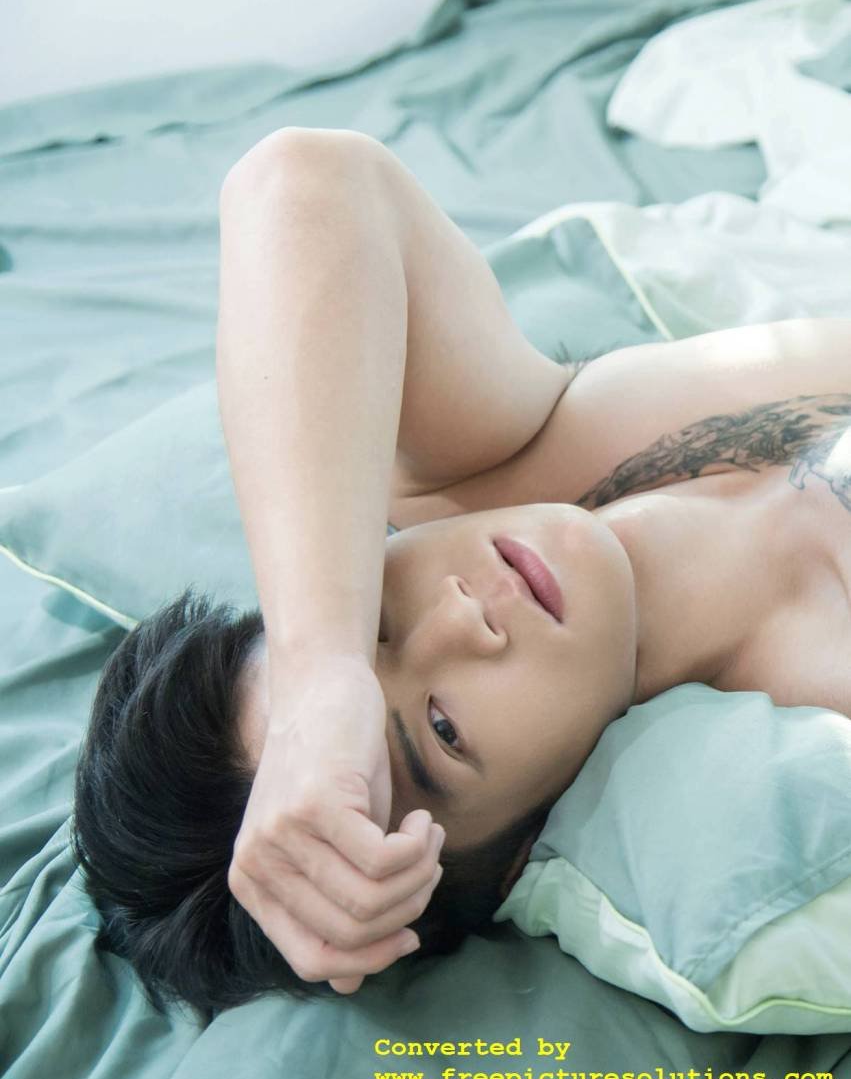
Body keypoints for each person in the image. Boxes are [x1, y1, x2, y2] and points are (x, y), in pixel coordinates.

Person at [71, 127, 851, 1019]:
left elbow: (305, 179)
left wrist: (320, 667)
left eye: (376, 623)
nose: (457, 616)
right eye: (441, 728)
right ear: (514, 853)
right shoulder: (824, 679)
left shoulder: (503, 466)